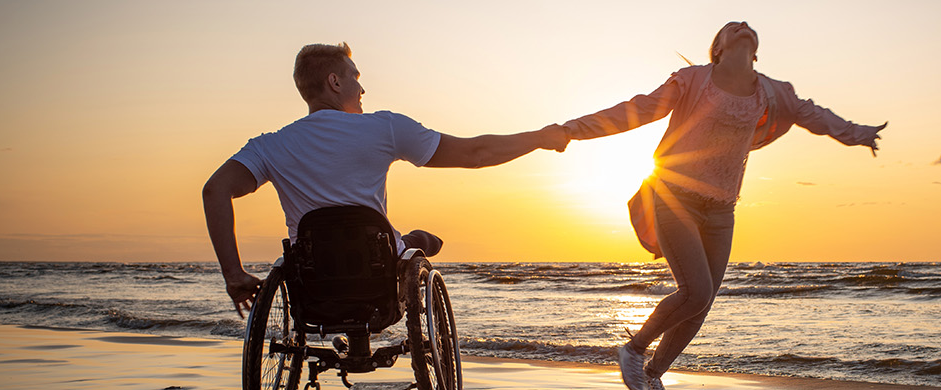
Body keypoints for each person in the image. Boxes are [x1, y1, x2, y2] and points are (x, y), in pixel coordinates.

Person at [552, 22, 886, 390]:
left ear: (755, 51)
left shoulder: (773, 93)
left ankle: (652, 375)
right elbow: (638, 110)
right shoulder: (693, 80)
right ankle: (634, 350)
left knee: (703, 301)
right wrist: (573, 129)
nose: (742, 26)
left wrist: (860, 134)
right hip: (674, 197)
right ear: (718, 47)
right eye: (732, 26)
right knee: (694, 291)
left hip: (722, 210)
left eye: (747, 27)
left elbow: (815, 115)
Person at [203, 42, 569, 319]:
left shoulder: (271, 145)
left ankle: (414, 239)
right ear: (334, 82)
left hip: (313, 285)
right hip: (377, 276)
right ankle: (416, 240)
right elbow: (476, 154)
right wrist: (538, 137)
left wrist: (233, 274)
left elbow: (214, 189)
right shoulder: (385, 128)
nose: (362, 90)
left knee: (376, 241)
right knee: (409, 243)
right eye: (355, 78)